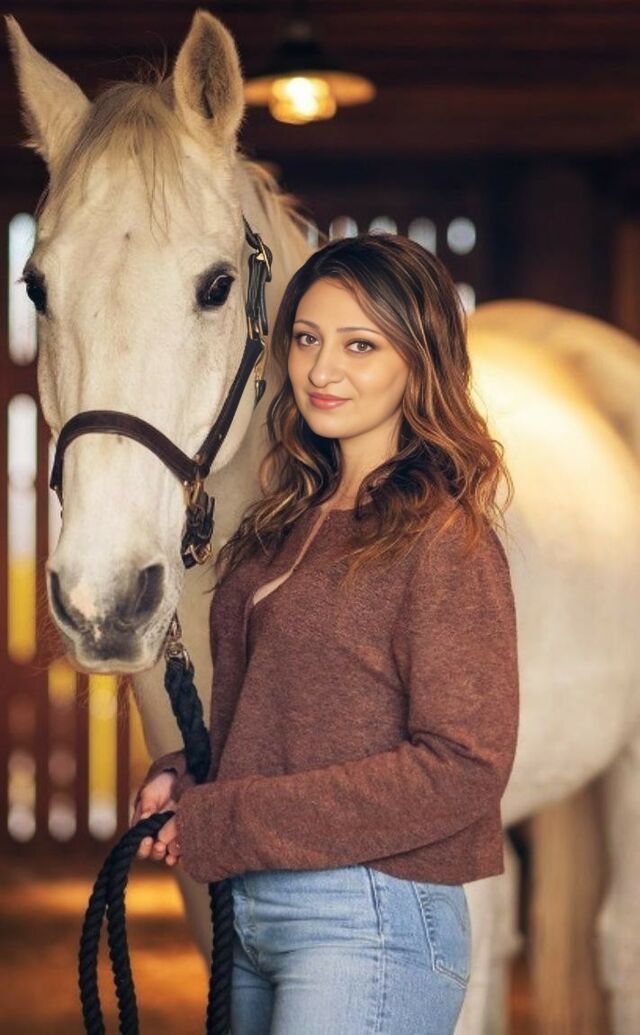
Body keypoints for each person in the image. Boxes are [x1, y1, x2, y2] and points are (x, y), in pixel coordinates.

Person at [131, 232, 520, 1034]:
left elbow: (464, 766)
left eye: (360, 345)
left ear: (418, 360)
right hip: (256, 910)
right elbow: (297, 720)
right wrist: (195, 773)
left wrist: (227, 819)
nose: (321, 369)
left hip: (371, 914)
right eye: (307, 339)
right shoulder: (286, 524)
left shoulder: (445, 541)